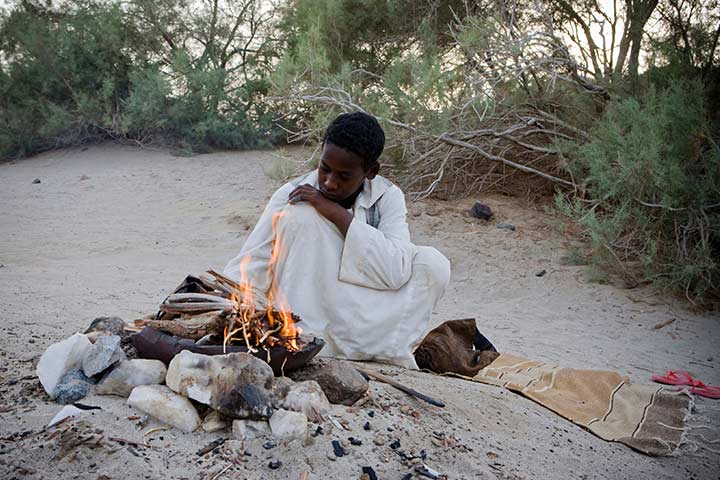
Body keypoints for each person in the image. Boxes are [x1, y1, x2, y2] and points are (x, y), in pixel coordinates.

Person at [223, 112, 451, 368]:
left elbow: (396, 271)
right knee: (301, 216)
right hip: (310, 311)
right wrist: (222, 303)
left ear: (370, 171)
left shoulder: (387, 197)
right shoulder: (293, 195)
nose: (329, 183)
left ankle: (387, 350)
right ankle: (303, 343)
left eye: (344, 176)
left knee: (433, 263)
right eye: (325, 169)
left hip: (367, 308)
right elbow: (253, 260)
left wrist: (335, 213)